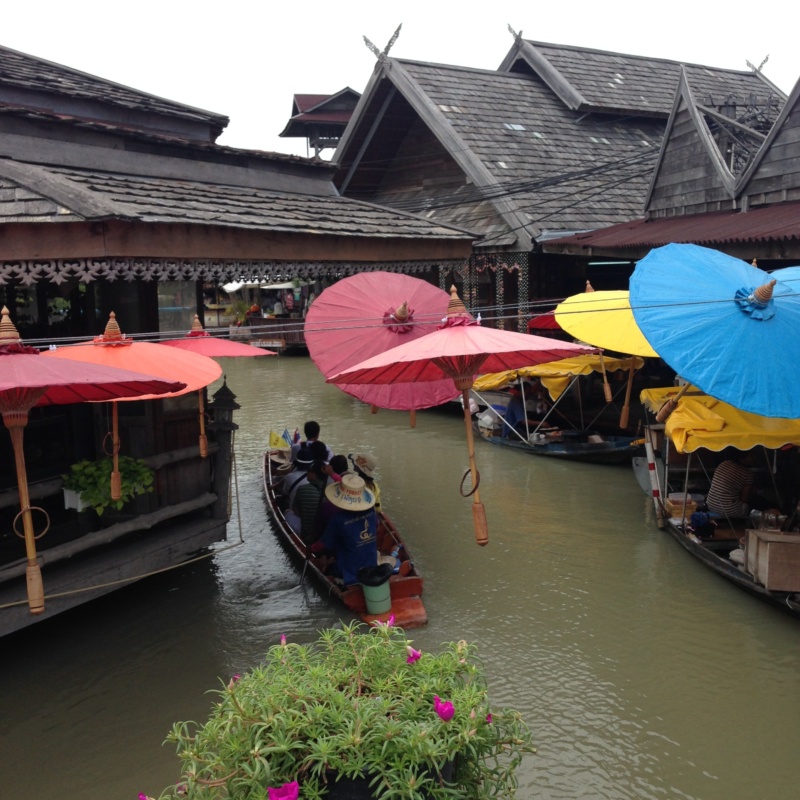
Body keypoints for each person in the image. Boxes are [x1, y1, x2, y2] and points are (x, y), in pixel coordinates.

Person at [318, 474, 378, 586]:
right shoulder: (371, 511)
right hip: (371, 565)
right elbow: (376, 527)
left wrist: (310, 548)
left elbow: (324, 544)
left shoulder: (338, 519)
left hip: (348, 571)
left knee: (326, 566)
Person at [705, 451, 755, 519]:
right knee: (753, 505)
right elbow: (744, 499)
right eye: (751, 456)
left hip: (711, 505)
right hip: (729, 510)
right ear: (743, 458)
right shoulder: (747, 474)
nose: (754, 458)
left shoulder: (724, 463)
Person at [292, 460, 327, 544]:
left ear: (313, 474)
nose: (307, 473)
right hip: (322, 536)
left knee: (287, 512)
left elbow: (296, 511)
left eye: (308, 471)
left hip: (307, 533)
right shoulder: (330, 490)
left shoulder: (303, 489)